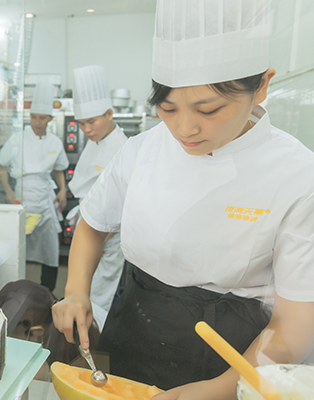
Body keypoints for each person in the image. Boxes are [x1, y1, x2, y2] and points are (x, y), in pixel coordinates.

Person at [52, 0, 314, 398]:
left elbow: (295, 324)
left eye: (208, 109)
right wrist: (76, 291)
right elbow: (92, 225)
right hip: (135, 327)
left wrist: (220, 389)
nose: (184, 128)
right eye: (168, 108)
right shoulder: (142, 150)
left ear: (261, 86)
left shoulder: (297, 175)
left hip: (237, 358)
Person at [67, 65, 128, 329]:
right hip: (89, 230)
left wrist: (101, 235)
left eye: (92, 121)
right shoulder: (95, 144)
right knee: (83, 287)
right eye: (81, 124)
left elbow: (124, 202)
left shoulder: (123, 148)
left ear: (110, 113)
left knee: (100, 291)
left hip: (109, 237)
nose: (87, 129)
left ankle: (93, 340)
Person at [0, 82, 69, 292]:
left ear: (50, 119)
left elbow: (58, 169)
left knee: (50, 247)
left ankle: (47, 290)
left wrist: (62, 189)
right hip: (23, 195)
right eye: (34, 117)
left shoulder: (55, 142)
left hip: (45, 198)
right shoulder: (17, 138)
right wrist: (9, 191)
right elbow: (1, 166)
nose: (37, 122)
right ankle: (17, 287)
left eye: (42, 118)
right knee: (18, 245)